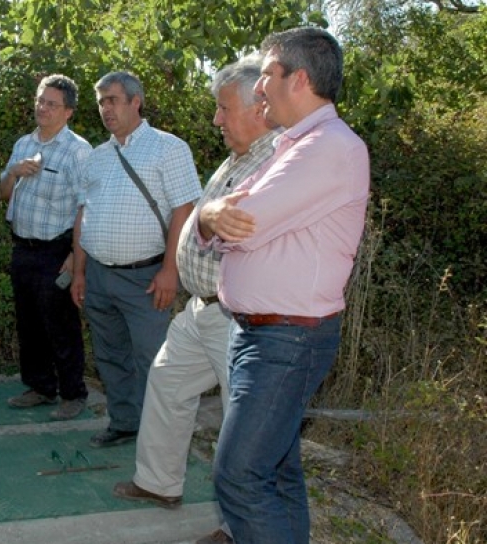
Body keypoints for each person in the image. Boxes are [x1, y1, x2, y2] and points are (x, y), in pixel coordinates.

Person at [192, 28, 370, 543]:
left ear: (300, 79)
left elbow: (241, 222)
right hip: (265, 337)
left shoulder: (329, 148)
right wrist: (211, 215)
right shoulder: (292, 146)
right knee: (276, 472)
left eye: (267, 74)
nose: (260, 87)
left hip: (286, 340)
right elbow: (218, 222)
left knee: (240, 476)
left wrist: (214, 218)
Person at [111, 56, 281, 544]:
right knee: (166, 384)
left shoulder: (275, 163)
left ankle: (237, 528)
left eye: (224, 109)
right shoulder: (240, 155)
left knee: (244, 427)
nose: (216, 119)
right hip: (202, 308)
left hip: (241, 317)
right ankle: (159, 483)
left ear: (259, 107)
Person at [71, 71, 202, 448]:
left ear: (135, 101)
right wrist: (79, 272)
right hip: (98, 276)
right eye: (100, 102)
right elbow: (83, 215)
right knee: (110, 356)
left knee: (154, 360)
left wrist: (170, 271)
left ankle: (160, 438)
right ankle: (125, 423)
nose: (105, 109)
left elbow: (185, 211)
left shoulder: (169, 148)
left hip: (146, 278)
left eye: (112, 100)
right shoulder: (96, 157)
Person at [0, 75, 93, 420]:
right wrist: (13, 173)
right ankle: (40, 387)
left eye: (52, 104)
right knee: (29, 322)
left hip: (57, 251)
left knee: (60, 323)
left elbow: (87, 207)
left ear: (68, 111)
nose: (43, 108)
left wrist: (75, 258)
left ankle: (73, 393)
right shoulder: (23, 144)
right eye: (40, 100)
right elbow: (4, 193)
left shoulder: (79, 151)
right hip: (22, 247)